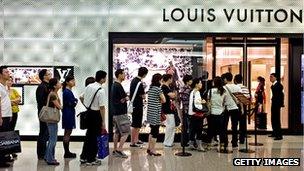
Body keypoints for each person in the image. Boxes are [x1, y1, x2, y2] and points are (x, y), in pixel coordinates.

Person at [80, 70, 107, 165]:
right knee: (95, 137)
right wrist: (103, 121)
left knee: (88, 136)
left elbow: (81, 97)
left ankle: (83, 157)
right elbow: (102, 107)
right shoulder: (101, 90)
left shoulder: (89, 86)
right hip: (96, 115)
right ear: (103, 78)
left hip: (88, 113)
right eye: (105, 78)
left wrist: (87, 106)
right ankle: (91, 158)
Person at [111, 69, 130, 158]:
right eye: (123, 74)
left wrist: (123, 99)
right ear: (119, 75)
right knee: (126, 132)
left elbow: (121, 99)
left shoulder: (114, 85)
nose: (125, 75)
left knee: (117, 132)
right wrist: (125, 98)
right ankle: (119, 150)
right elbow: (125, 98)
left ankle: (115, 150)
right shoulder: (118, 85)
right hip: (121, 113)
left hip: (115, 112)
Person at [207, 77, 228, 152]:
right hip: (221, 113)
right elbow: (225, 103)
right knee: (221, 130)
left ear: (214, 83)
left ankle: (209, 145)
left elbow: (208, 103)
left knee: (210, 129)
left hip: (212, 113)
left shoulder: (210, 91)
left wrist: (209, 110)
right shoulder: (224, 91)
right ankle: (222, 146)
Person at [146, 73, 166, 156]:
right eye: (161, 79)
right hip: (156, 113)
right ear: (159, 80)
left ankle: (149, 148)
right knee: (155, 132)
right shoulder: (158, 89)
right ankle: (153, 150)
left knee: (152, 131)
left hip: (150, 113)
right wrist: (159, 102)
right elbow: (164, 100)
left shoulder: (150, 89)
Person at [44, 78, 62, 165]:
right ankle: (50, 159)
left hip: (52, 120)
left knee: (52, 139)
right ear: (55, 85)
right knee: (53, 139)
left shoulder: (54, 93)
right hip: (52, 120)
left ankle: (48, 156)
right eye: (58, 82)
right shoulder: (53, 95)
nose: (60, 83)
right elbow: (59, 107)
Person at [129, 67, 148, 147]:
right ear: (144, 74)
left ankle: (136, 140)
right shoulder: (140, 83)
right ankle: (132, 142)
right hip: (137, 105)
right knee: (135, 124)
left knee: (137, 124)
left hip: (135, 105)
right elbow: (143, 96)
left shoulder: (133, 81)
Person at [222, 72, 242, 148]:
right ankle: (234, 142)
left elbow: (222, 99)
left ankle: (225, 142)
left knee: (224, 126)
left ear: (225, 79)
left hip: (226, 108)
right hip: (235, 108)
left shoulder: (223, 88)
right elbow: (240, 99)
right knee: (235, 126)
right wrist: (242, 108)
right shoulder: (237, 87)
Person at [36, 69, 52, 160]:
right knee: (43, 132)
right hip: (43, 113)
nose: (51, 75)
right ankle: (41, 154)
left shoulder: (47, 86)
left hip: (46, 113)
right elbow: (41, 101)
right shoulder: (42, 87)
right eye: (49, 74)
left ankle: (44, 152)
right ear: (44, 76)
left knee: (46, 133)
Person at [188, 78, 207, 152]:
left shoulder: (192, 91)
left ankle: (191, 144)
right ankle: (199, 146)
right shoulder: (197, 92)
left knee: (192, 130)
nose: (201, 84)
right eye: (200, 83)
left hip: (192, 114)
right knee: (199, 130)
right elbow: (197, 104)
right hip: (197, 114)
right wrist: (203, 102)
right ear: (196, 84)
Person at [61, 75, 78, 158]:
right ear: (67, 82)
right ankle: (66, 152)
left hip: (68, 113)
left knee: (67, 132)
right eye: (72, 80)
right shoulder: (67, 92)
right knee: (67, 132)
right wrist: (75, 101)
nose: (74, 82)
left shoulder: (67, 91)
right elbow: (71, 103)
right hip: (68, 113)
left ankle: (67, 152)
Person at [0, 66, 13, 168]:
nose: (9, 73)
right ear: (1, 74)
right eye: (6, 72)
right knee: (1, 138)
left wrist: (10, 115)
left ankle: (3, 158)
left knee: (4, 137)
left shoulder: (4, 86)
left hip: (7, 115)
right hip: (2, 116)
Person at [233, 74, 250, 144]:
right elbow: (248, 97)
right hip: (244, 106)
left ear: (235, 80)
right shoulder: (245, 87)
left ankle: (235, 139)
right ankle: (242, 139)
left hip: (236, 106)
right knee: (243, 123)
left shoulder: (235, 87)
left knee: (235, 123)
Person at [7, 76, 21, 158]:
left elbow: (19, 99)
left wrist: (11, 101)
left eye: (11, 81)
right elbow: (4, 102)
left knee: (12, 130)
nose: (10, 82)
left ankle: (12, 150)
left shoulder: (14, 90)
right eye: (9, 80)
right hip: (6, 113)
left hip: (14, 112)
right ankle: (6, 151)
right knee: (6, 131)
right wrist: (13, 101)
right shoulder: (3, 91)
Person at [161, 74, 177, 147]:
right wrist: (175, 92)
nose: (172, 80)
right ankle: (167, 142)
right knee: (170, 125)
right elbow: (172, 95)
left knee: (170, 126)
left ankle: (169, 142)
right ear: (169, 79)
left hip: (168, 109)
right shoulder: (164, 87)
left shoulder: (166, 87)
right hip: (167, 109)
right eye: (171, 79)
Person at [179, 75, 193, 146]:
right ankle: (186, 141)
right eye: (191, 80)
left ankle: (184, 142)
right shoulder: (188, 89)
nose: (192, 81)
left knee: (185, 126)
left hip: (184, 108)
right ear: (187, 81)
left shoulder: (182, 88)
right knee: (188, 126)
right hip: (188, 109)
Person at [269, 73, 284, 140]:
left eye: (271, 77)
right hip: (274, 103)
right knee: (273, 118)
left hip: (277, 104)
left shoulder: (278, 85)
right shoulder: (274, 85)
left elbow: (281, 95)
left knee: (276, 119)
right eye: (270, 77)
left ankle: (279, 135)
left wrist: (281, 103)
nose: (270, 78)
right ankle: (274, 132)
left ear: (275, 77)